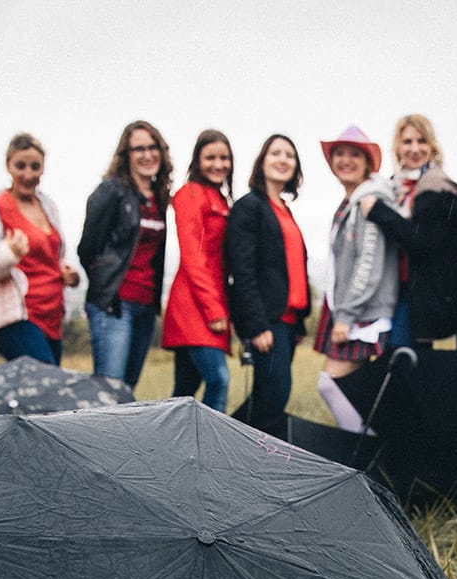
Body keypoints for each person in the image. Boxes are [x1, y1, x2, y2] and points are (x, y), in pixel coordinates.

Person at [0, 133, 81, 365]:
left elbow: (56, 254)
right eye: (20, 166)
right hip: (17, 316)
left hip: (52, 315)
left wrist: (71, 274)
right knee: (46, 384)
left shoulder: (48, 206)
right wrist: (9, 255)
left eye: (35, 167)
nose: (28, 174)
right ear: (8, 166)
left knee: (46, 391)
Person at [312, 125, 399, 431]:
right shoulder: (350, 201)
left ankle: (365, 455)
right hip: (351, 310)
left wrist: (346, 315)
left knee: (331, 384)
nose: (345, 160)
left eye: (354, 155)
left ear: (366, 163)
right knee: (352, 390)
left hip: (362, 313)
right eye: (339, 154)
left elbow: (369, 263)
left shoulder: (369, 200)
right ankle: (367, 452)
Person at [226, 135, 310, 437]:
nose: (283, 159)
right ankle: (232, 448)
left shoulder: (285, 210)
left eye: (290, 155)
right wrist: (257, 325)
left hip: (287, 324)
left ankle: (226, 445)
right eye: (275, 153)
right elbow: (242, 271)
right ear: (262, 161)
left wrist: (299, 322)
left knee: (266, 398)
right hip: (267, 323)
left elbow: (292, 269)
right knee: (274, 397)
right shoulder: (250, 206)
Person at [360, 114, 457, 349]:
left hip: (419, 294)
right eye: (407, 142)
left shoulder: (437, 188)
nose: (415, 149)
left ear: (432, 147)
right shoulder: (389, 187)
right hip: (387, 287)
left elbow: (423, 242)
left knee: (402, 355)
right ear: (397, 147)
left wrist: (379, 212)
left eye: (422, 141)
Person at [78, 120, 172, 388]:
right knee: (110, 391)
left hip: (145, 306)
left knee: (127, 392)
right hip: (115, 306)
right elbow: (87, 249)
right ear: (126, 155)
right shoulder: (111, 191)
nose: (147, 155)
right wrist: (105, 289)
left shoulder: (158, 197)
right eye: (138, 149)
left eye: (152, 147)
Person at [162, 130, 234, 411]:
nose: (218, 164)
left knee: (184, 390)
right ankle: (212, 450)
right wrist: (214, 310)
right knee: (219, 379)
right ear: (197, 160)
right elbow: (193, 256)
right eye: (210, 158)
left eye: (224, 158)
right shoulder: (190, 194)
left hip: (212, 301)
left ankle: (165, 447)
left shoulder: (220, 199)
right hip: (194, 305)